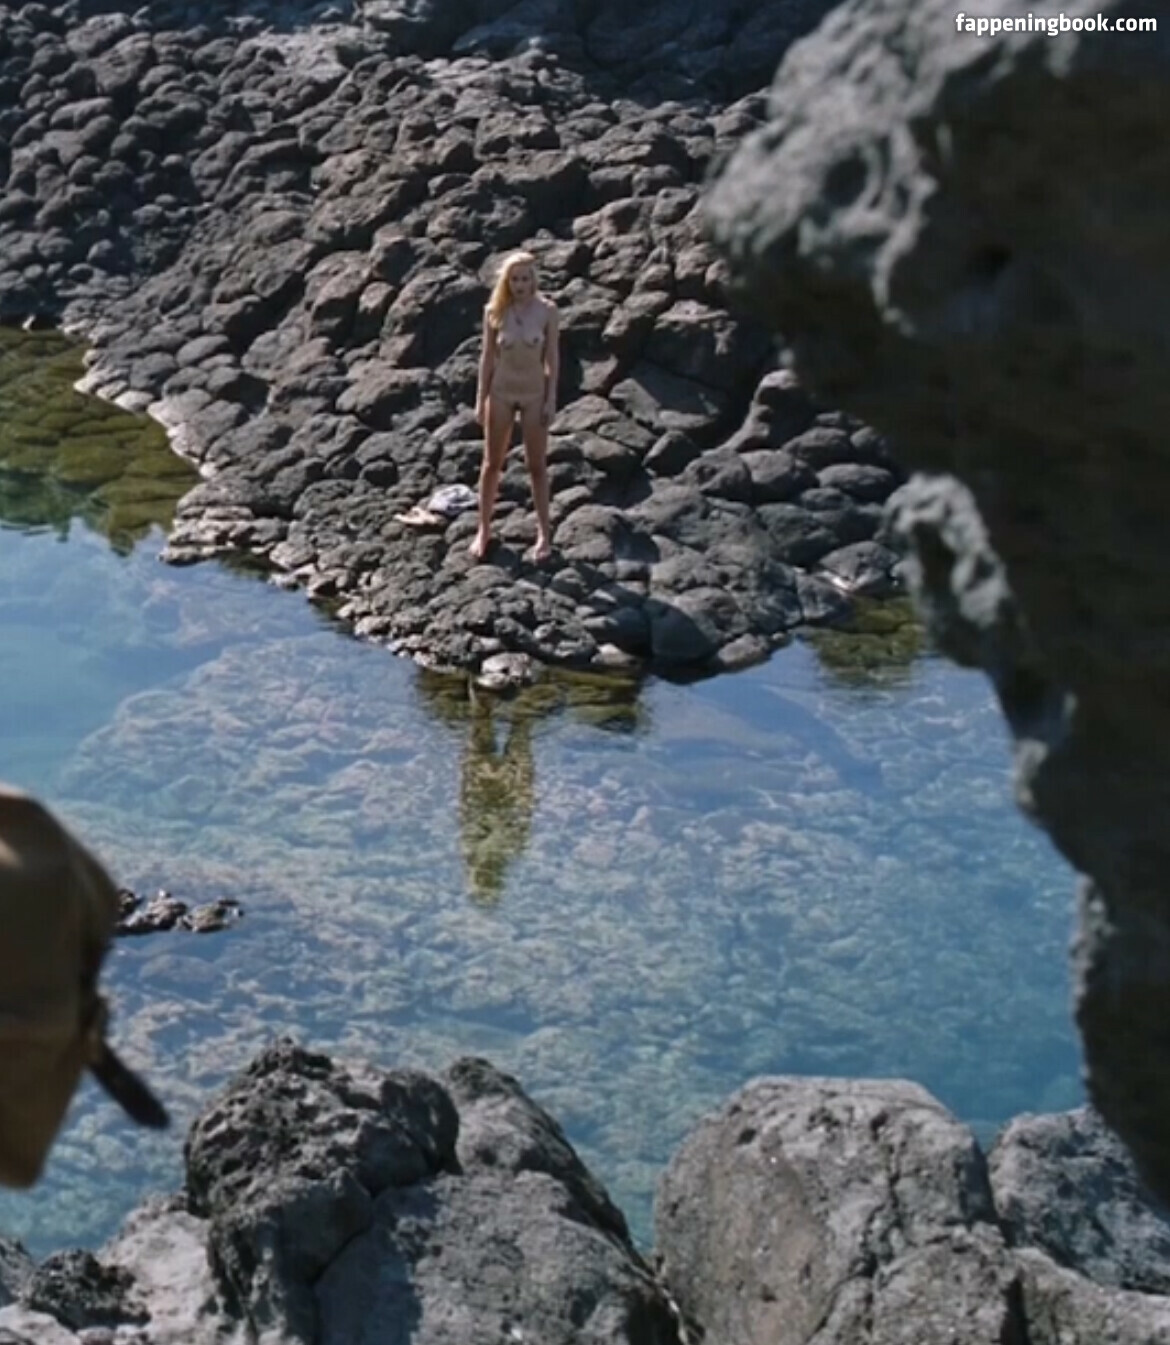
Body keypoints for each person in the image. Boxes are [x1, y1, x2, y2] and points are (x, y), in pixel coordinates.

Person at [472, 250, 560, 562]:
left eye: (524, 278)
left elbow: (552, 358)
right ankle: (483, 529)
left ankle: (544, 534)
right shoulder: (494, 311)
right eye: (514, 279)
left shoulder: (547, 311)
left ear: (533, 280)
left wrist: (551, 399)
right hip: (501, 394)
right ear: (506, 282)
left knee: (537, 466)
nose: (520, 285)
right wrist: (480, 399)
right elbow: (487, 359)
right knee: (491, 463)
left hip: (534, 394)